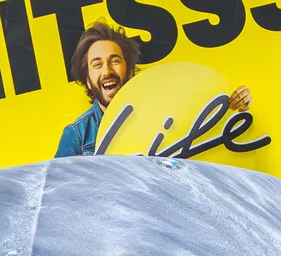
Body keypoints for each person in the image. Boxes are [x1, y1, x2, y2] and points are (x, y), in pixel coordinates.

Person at [56, 21, 251, 158]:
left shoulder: (161, 110)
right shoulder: (77, 135)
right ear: (88, 81)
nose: (107, 71)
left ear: (130, 70)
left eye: (114, 61)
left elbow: (206, 123)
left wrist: (236, 103)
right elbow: (57, 194)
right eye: (97, 65)